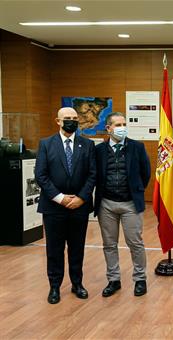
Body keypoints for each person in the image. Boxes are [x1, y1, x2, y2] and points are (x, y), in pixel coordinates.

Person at [35, 107, 96, 304]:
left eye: (75, 118)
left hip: (80, 206)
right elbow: (41, 176)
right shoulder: (46, 144)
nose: (72, 121)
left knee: (77, 248)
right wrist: (60, 198)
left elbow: (92, 174)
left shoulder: (87, 144)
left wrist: (81, 197)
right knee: (54, 249)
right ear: (58, 121)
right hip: (54, 207)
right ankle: (54, 287)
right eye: (67, 118)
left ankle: (77, 284)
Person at [94, 112, 151, 297]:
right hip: (106, 204)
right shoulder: (99, 150)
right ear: (108, 128)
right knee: (109, 244)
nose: (122, 127)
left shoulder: (137, 147)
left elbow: (146, 173)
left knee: (135, 242)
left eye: (124, 124)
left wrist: (136, 190)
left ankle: (140, 279)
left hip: (130, 204)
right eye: (118, 124)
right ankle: (113, 280)